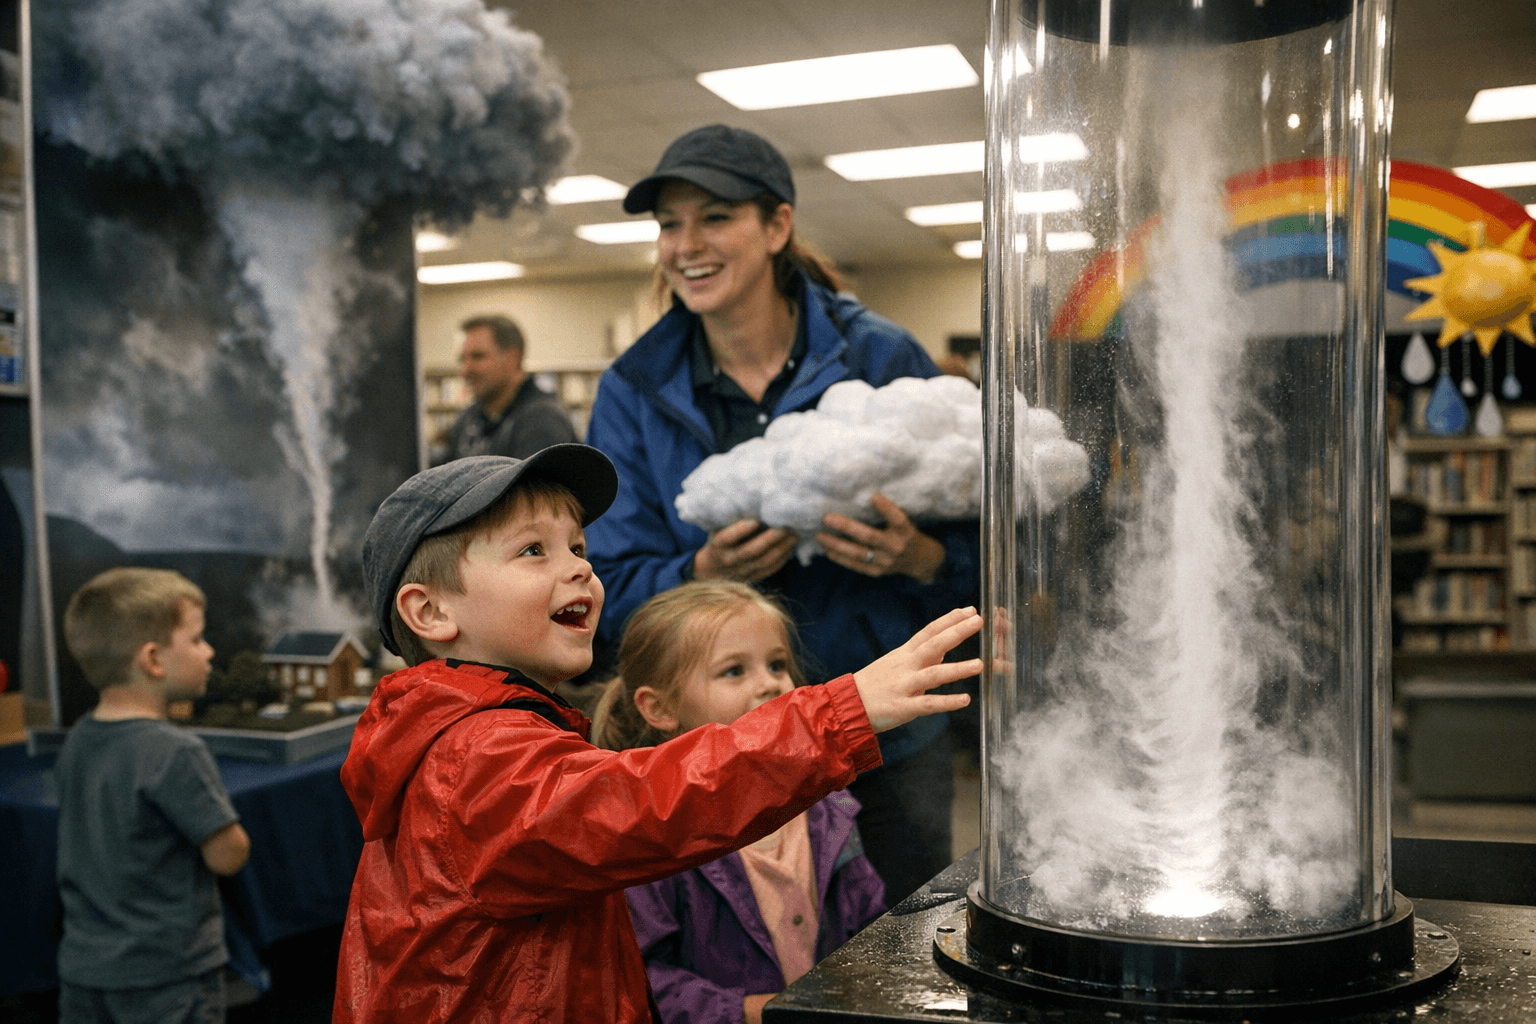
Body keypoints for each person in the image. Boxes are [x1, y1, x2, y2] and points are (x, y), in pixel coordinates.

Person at [335, 447, 980, 1023]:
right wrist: (840, 714)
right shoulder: (470, 756)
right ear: (431, 611)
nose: (579, 570)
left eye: (579, 548)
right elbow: (642, 804)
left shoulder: (495, 732)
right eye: (534, 550)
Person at [583, 124, 981, 902]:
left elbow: (988, 550)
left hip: (883, 739)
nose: (684, 244)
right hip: (718, 757)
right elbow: (605, 589)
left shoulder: (880, 357)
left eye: (714, 217)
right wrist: (701, 571)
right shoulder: (632, 389)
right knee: (747, 969)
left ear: (777, 227)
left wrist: (920, 559)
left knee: (900, 945)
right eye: (669, 224)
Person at [592, 581, 887, 1024]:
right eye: (734, 671)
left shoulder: (826, 801)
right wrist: (758, 1012)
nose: (769, 684)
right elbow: (635, 979)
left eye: (777, 664)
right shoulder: (650, 833)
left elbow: (870, 920)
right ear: (660, 709)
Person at [55, 568, 251, 1024]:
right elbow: (228, 854)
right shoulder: (176, 751)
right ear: (153, 659)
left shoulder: (78, 739)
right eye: (198, 639)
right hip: (168, 975)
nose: (210, 652)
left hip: (84, 970)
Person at [433, 313, 577, 464]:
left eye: (478, 356)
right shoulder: (467, 421)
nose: (464, 370)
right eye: (461, 359)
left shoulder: (542, 421)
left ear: (513, 358)